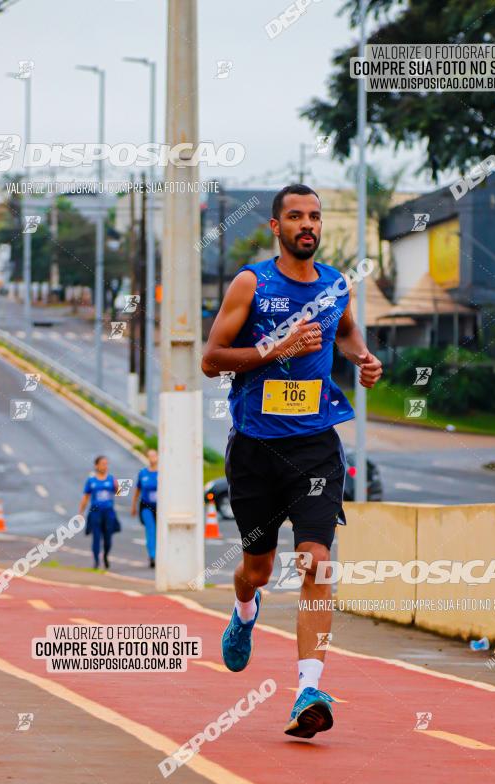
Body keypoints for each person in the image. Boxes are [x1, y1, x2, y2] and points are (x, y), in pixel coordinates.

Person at [201, 183, 382, 739]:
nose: (308, 224)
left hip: (314, 446)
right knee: (258, 567)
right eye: (296, 217)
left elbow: (345, 332)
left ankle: (308, 687)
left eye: (315, 217)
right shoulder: (251, 283)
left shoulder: (335, 285)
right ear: (276, 227)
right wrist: (273, 350)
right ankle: (245, 609)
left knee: (315, 563)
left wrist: (363, 357)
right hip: (256, 446)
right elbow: (211, 359)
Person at [78, 455, 120, 570]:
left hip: (109, 511)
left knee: (108, 537)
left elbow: (120, 493)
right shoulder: (91, 481)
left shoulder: (111, 479)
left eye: (106, 464)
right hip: (95, 512)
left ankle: (106, 555)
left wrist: (118, 487)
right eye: (102, 464)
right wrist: (81, 512)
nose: (105, 466)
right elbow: (86, 497)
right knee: (96, 537)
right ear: (96, 465)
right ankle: (96, 560)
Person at [131, 449, 158, 568]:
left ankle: (161, 554)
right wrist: (133, 505)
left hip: (160, 507)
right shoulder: (143, 473)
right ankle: (152, 555)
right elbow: (138, 490)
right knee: (150, 529)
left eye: (154, 456)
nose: (152, 458)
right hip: (146, 506)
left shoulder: (163, 472)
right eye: (150, 456)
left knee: (160, 531)